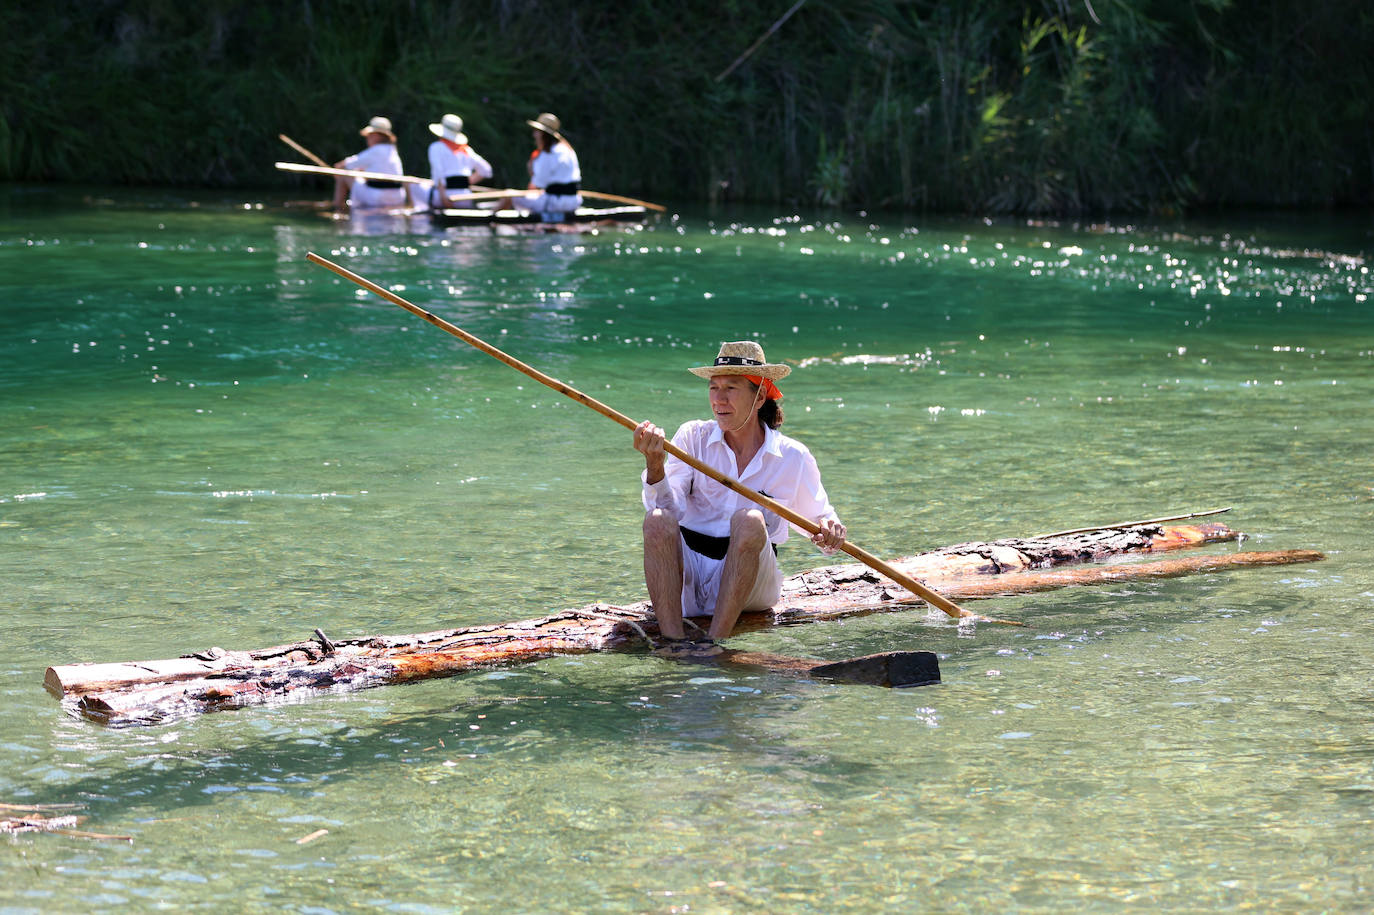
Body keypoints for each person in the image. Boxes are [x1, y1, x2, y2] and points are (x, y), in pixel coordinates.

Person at [632, 341, 847, 654]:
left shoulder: (792, 457)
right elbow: (667, 510)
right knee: (655, 521)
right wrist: (654, 465)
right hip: (688, 579)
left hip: (752, 588)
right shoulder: (693, 437)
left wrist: (831, 530)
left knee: (749, 520)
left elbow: (821, 524)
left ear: (759, 396)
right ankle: (673, 645)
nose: (719, 399)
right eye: (714, 387)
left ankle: (714, 645)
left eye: (731, 388)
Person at [507, 112, 583, 217]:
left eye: (536, 131)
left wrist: (531, 171)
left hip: (554, 203)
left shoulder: (547, 154)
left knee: (509, 195)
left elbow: (537, 184)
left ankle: (491, 220)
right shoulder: (568, 149)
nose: (534, 135)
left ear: (543, 134)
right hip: (573, 202)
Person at [332, 116, 408, 211]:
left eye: (370, 134)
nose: (368, 137)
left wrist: (337, 171)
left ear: (378, 135)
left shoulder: (375, 151)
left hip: (378, 198)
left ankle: (337, 207)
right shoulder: (392, 150)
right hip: (398, 198)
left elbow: (343, 165)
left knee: (343, 174)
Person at [426, 113, 493, 209]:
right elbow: (486, 170)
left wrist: (444, 199)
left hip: (445, 197)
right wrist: (464, 183)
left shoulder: (435, 147)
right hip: (465, 198)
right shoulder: (466, 150)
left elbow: (438, 174)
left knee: (414, 187)